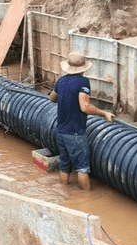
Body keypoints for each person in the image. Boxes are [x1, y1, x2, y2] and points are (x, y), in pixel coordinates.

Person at [49, 51, 114, 190]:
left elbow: (52, 98)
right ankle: (86, 200)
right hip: (76, 134)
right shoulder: (83, 82)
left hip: (60, 131)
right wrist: (104, 113)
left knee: (64, 167)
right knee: (82, 168)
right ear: (83, 68)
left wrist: (65, 95)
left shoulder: (61, 81)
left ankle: (64, 193)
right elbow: (85, 107)